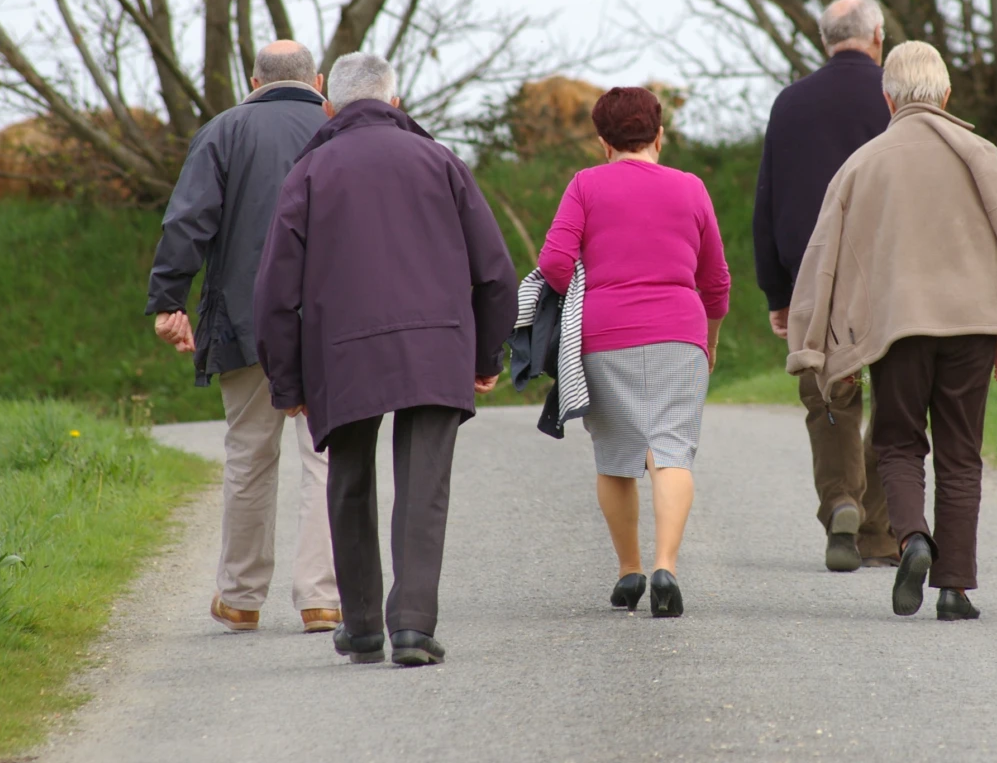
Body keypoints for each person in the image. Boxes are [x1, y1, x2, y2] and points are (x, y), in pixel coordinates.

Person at [253, 53, 518, 666]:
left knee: (348, 480)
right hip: (437, 344)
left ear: (329, 107)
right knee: (424, 486)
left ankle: (364, 625)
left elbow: (273, 292)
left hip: (343, 353)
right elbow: (496, 272)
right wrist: (485, 355)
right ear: (394, 103)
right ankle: (414, 627)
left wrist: (287, 381)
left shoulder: (310, 171)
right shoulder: (440, 161)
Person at [786, 42, 997, 620]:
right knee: (961, 454)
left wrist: (816, 345)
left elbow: (824, 260)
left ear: (888, 99)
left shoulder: (861, 164)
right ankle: (955, 588)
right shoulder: (981, 154)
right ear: (946, 94)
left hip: (897, 328)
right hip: (974, 325)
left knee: (898, 442)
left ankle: (911, 538)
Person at [146, 40, 340, 636]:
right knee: (327, 458)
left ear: (252, 81)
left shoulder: (223, 131)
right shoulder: (340, 130)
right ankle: (322, 597)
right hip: (332, 324)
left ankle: (241, 596)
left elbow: (188, 220)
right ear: (319, 81)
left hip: (245, 319)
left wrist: (169, 300)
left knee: (250, 456)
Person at [538, 87, 730, 619]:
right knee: (671, 453)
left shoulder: (585, 185)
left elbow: (554, 261)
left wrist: (585, 296)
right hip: (680, 335)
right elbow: (716, 281)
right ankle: (667, 566)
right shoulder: (691, 188)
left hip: (604, 336)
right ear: (659, 135)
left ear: (604, 142)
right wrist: (710, 340)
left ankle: (630, 571)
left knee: (616, 458)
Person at [753, 0, 897, 573]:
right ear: (878, 36)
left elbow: (768, 200)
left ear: (824, 40)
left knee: (829, 395)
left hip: (815, 277)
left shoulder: (790, 102)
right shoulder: (896, 97)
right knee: (897, 397)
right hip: (889, 273)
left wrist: (777, 292)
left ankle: (841, 501)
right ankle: (879, 532)